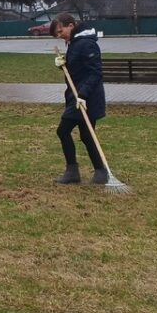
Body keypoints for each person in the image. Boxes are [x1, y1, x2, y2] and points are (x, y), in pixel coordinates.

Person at [51, 13, 108, 185]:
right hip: (76, 97)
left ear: (71, 25)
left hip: (86, 98)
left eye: (61, 32)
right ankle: (99, 173)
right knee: (86, 135)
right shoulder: (75, 43)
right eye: (57, 35)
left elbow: (95, 73)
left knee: (63, 130)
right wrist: (64, 65)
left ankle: (74, 171)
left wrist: (82, 95)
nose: (60, 36)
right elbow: (78, 70)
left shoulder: (87, 44)